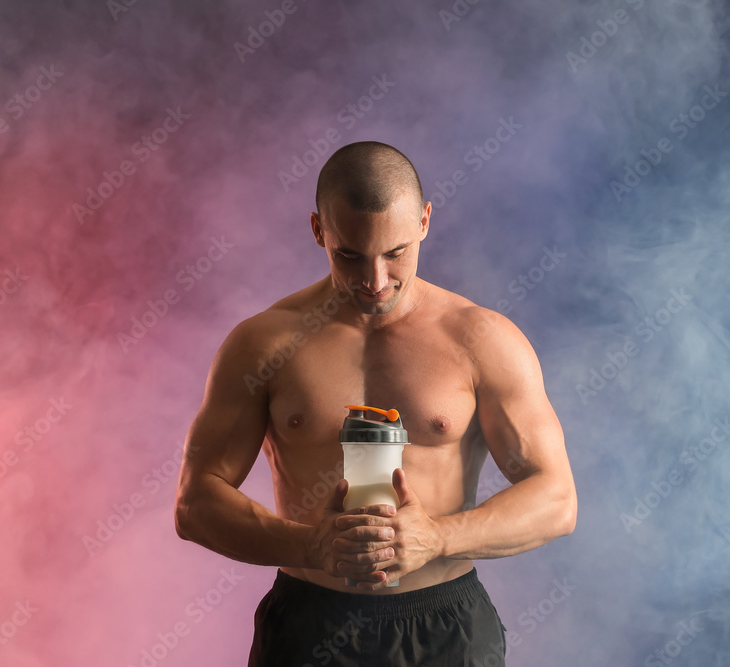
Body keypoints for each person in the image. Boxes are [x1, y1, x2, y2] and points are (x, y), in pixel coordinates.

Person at [173, 141, 577, 666]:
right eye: (350, 256)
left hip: (446, 628)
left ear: (426, 220)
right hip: (308, 623)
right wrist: (310, 547)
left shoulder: (482, 339)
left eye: (396, 253)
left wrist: (438, 537)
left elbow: (556, 499)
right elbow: (195, 503)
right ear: (319, 230)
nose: (375, 281)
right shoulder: (263, 345)